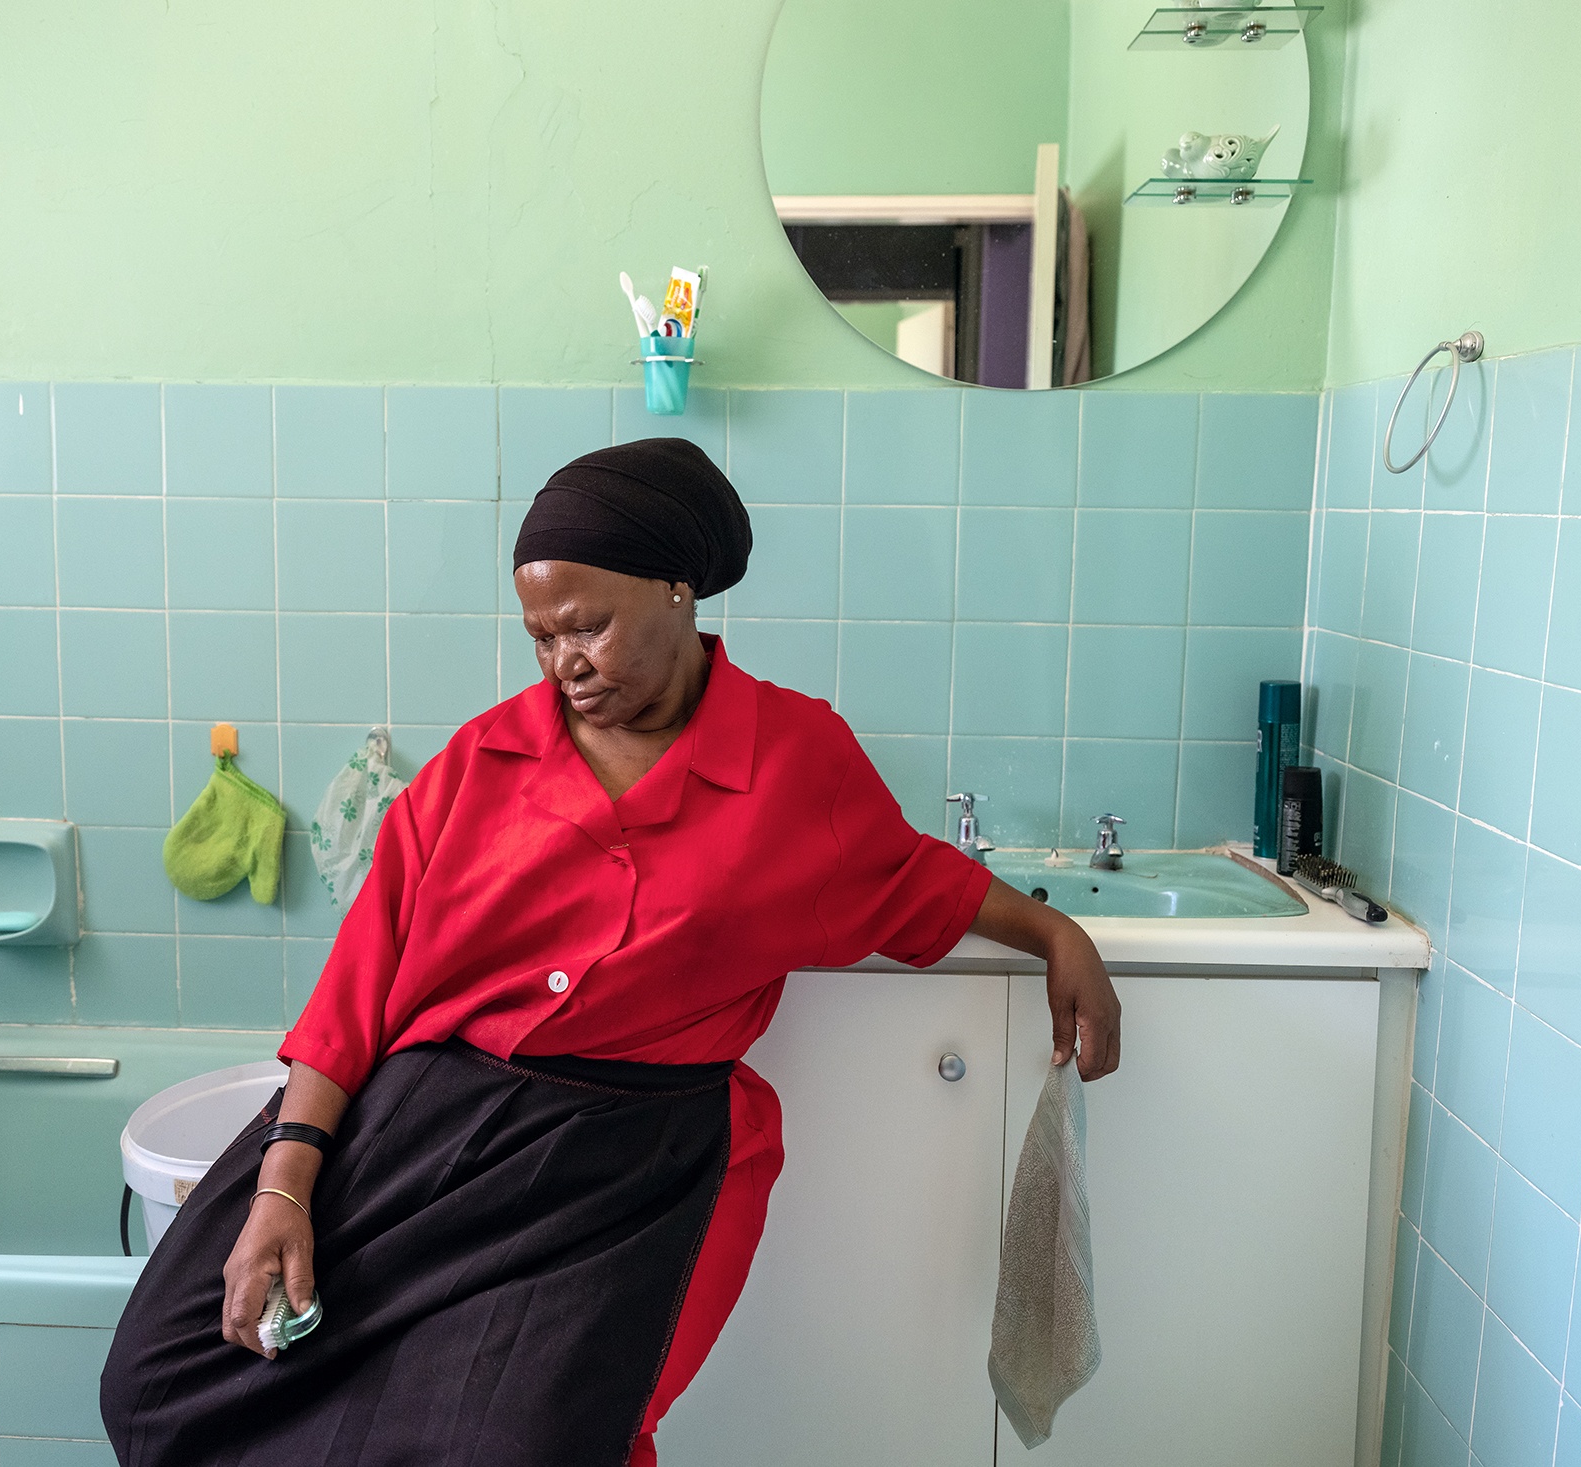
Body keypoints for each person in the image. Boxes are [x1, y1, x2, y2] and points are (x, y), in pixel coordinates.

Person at [100, 438, 1120, 1467]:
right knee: (157, 1378)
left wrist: (1052, 931)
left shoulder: (795, 760)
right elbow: (357, 991)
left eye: (587, 626)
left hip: (622, 1167)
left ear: (680, 590)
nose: (563, 663)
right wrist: (287, 1179)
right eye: (540, 637)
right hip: (420, 1130)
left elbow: (906, 878)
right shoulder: (476, 763)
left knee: (526, 1443)